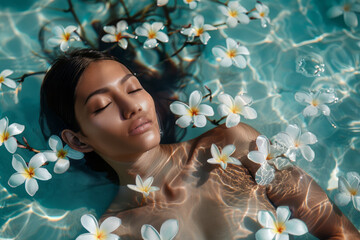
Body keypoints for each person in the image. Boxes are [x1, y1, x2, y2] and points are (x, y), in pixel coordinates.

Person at [40, 48, 359, 239]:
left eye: (134, 89)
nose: (132, 106)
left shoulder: (234, 143)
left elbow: (337, 229)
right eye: (102, 106)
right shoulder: (116, 230)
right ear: (77, 140)